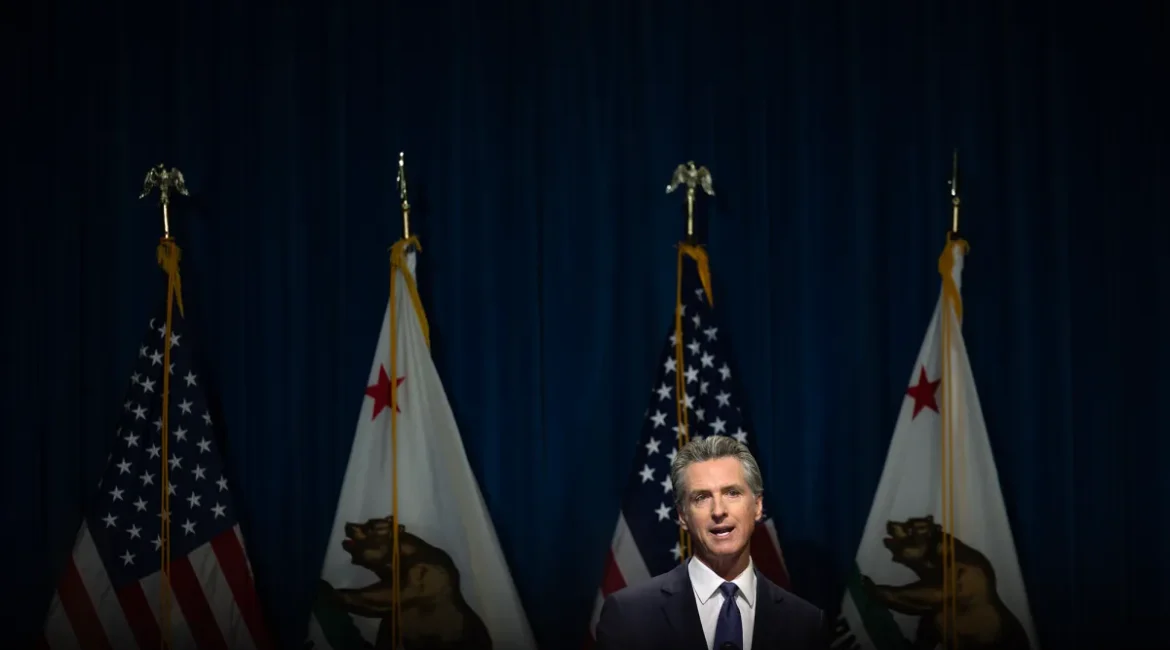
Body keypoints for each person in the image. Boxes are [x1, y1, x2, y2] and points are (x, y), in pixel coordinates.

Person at [593, 435, 827, 650]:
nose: (718, 511)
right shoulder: (629, 615)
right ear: (683, 516)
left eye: (732, 493)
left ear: (757, 507)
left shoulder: (805, 624)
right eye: (701, 497)